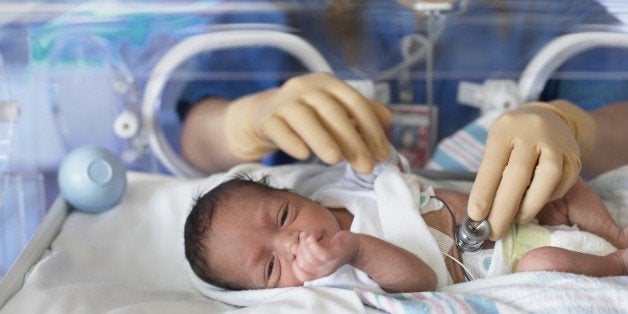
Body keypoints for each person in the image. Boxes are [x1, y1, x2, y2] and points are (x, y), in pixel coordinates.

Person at [178, 1, 628, 241]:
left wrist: (571, 126)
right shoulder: (281, 11)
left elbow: (620, 120)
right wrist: (247, 120)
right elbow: (191, 142)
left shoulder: (557, 12)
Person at [183, 153, 628, 293]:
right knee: (543, 262)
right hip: (514, 258)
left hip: (512, 216)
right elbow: (421, 279)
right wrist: (354, 249)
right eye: (270, 267)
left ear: (295, 195)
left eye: (283, 215)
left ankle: (614, 232)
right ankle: (616, 263)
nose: (292, 241)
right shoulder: (333, 282)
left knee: (560, 185)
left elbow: (375, 159)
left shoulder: (337, 191)